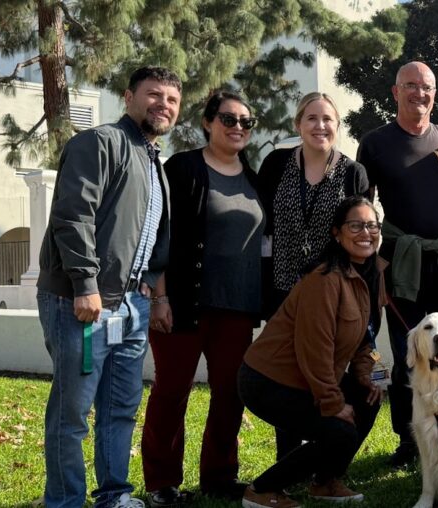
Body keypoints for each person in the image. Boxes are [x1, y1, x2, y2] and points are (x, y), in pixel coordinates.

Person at [35, 66, 180, 508]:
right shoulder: (100, 143)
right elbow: (73, 215)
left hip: (131, 306)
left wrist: (153, 291)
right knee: (73, 413)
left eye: (172, 100)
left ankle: (114, 495)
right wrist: (85, 283)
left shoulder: (153, 161)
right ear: (128, 97)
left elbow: (152, 237)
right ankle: (65, 501)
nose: (163, 105)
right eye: (154, 95)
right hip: (83, 301)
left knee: (120, 408)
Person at [140, 91, 263, 505]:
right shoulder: (183, 168)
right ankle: (161, 483)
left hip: (238, 307)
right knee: (172, 392)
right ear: (208, 123)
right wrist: (159, 296)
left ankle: (219, 476)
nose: (237, 127)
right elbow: (158, 232)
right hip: (183, 302)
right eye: (228, 119)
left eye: (246, 122)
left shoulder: (253, 176)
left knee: (230, 394)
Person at [237, 196, 385, 507]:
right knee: (340, 431)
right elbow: (314, 348)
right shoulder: (325, 279)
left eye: (372, 226)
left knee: (368, 399)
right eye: (356, 226)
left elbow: (365, 339)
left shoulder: (370, 274)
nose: (366, 233)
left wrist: (367, 375)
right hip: (269, 381)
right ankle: (262, 490)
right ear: (337, 233)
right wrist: (333, 403)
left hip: (308, 378)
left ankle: (325, 482)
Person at [356, 61, 438, 468]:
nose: (420, 93)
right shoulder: (375, 143)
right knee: (410, 356)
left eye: (427, 87)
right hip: (400, 266)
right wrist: (376, 262)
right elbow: (363, 208)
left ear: (435, 94)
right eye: (412, 86)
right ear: (395, 92)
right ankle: (409, 440)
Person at [255, 91, 369, 458]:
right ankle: (288, 457)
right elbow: (262, 227)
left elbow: (361, 234)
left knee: (324, 369)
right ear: (298, 124)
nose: (320, 126)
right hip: (283, 286)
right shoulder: (276, 164)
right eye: (312, 118)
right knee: (287, 375)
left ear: (337, 125)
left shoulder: (353, 173)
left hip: (330, 292)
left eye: (328, 119)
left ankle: (324, 456)